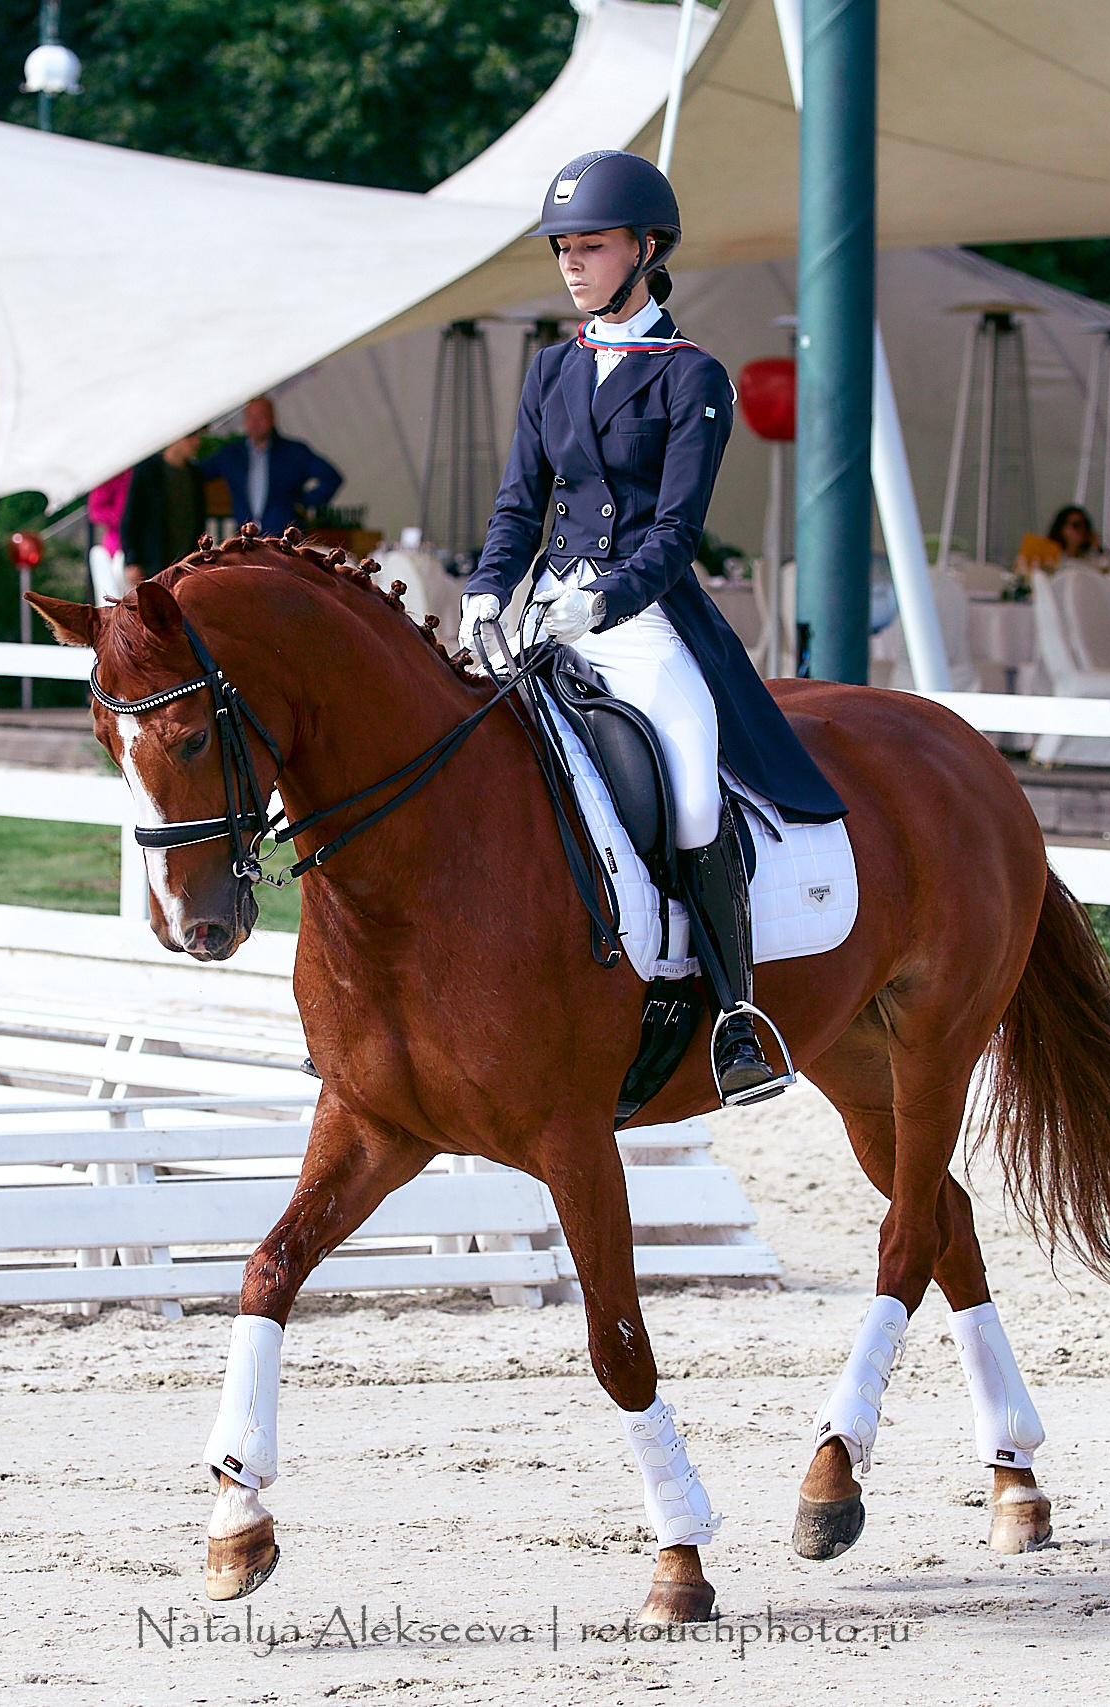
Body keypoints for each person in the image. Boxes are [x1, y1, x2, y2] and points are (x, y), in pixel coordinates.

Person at [461, 149, 848, 1106]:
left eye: (590, 246)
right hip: (543, 611)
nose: (572, 265)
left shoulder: (693, 379)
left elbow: (677, 532)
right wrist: (485, 591)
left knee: (688, 787)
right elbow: (520, 504)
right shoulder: (552, 369)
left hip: (643, 619)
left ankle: (733, 1013)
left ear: (644, 249)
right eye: (563, 249)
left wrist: (604, 598)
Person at [198, 398, 342, 536]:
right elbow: (197, 473)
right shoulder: (232, 454)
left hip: (285, 539)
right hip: (247, 539)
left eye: (260, 417)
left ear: (272, 419)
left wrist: (304, 503)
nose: (254, 423)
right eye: (250, 417)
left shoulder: (293, 452)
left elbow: (331, 477)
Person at [120, 431, 211, 591]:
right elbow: (131, 518)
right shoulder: (148, 470)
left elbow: (198, 521)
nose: (196, 442)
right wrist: (132, 561)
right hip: (152, 566)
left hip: (184, 569)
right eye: (190, 436)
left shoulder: (194, 475)